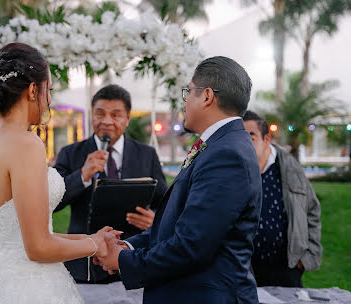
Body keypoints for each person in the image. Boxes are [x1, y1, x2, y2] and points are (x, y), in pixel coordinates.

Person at [96, 56, 262, 304]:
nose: (184, 101)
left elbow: (191, 246)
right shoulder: (220, 145)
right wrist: (127, 247)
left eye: (188, 92)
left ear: (206, 96)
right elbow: (178, 225)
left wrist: (121, 260)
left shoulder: (227, 154)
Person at [0, 43, 117, 304]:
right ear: (33, 90)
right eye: (49, 90)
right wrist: (96, 246)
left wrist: (91, 238)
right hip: (32, 290)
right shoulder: (26, 144)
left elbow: (23, 236)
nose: (49, 100)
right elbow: (38, 247)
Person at [54, 84, 168, 283]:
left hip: (133, 261)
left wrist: (155, 220)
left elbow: (165, 202)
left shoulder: (147, 155)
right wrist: (82, 175)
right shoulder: (70, 153)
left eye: (115, 115)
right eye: (100, 114)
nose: (106, 121)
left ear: (127, 119)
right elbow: (53, 202)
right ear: (92, 115)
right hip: (85, 264)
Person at [243, 110, 322, 287]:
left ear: (266, 139)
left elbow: (312, 209)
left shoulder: (289, 166)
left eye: (251, 137)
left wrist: (307, 256)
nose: (245, 144)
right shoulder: (235, 171)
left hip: (288, 268)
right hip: (246, 271)